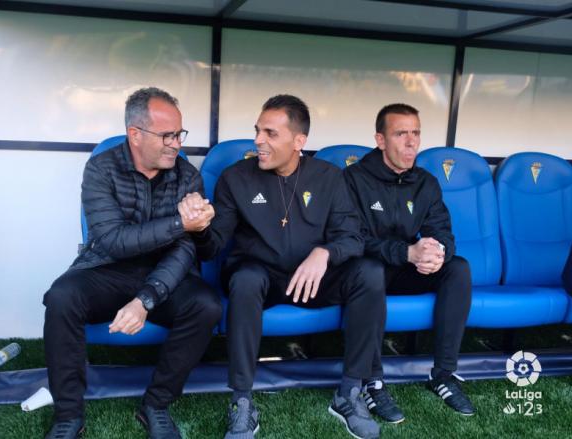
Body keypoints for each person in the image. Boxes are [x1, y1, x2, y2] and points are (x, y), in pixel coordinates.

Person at [180, 95, 384, 439]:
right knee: (244, 279)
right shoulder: (235, 178)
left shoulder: (330, 177)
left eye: (270, 133)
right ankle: (242, 401)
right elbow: (212, 246)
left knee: (370, 272)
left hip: (315, 278)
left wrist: (325, 253)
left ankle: (349, 391)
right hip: (263, 276)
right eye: (258, 131)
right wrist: (199, 230)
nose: (258, 140)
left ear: (298, 141)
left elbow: (353, 237)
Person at [42, 87, 221, 439]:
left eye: (179, 134)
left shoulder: (187, 176)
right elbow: (113, 240)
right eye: (167, 135)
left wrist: (146, 299)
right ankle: (68, 416)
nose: (176, 144)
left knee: (206, 305)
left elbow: (185, 250)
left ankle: (156, 405)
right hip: (107, 268)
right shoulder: (101, 169)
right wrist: (179, 224)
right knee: (61, 298)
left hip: (165, 276)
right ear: (135, 135)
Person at [343, 103, 475, 423]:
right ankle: (372, 382)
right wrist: (407, 253)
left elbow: (442, 231)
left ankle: (443, 375)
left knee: (457, 267)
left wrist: (435, 253)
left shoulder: (426, 182)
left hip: (403, 270)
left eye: (415, 133)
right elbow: (351, 240)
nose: (411, 141)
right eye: (401, 133)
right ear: (381, 139)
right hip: (365, 272)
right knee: (370, 270)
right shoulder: (353, 179)